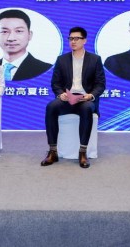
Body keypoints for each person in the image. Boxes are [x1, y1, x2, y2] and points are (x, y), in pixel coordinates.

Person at [41, 27, 106, 169]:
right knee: (51, 107)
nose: (73, 41)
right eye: (71, 39)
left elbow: (100, 84)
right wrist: (61, 94)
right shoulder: (62, 60)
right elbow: (55, 83)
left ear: (84, 40)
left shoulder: (95, 59)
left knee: (87, 109)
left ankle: (82, 152)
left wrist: (91, 95)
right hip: (67, 98)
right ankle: (53, 151)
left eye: (77, 38)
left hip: (85, 99)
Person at [0, 9, 52, 81]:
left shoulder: (46, 69)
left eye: (19, 31)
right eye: (4, 32)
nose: (11, 38)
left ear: (29, 35)